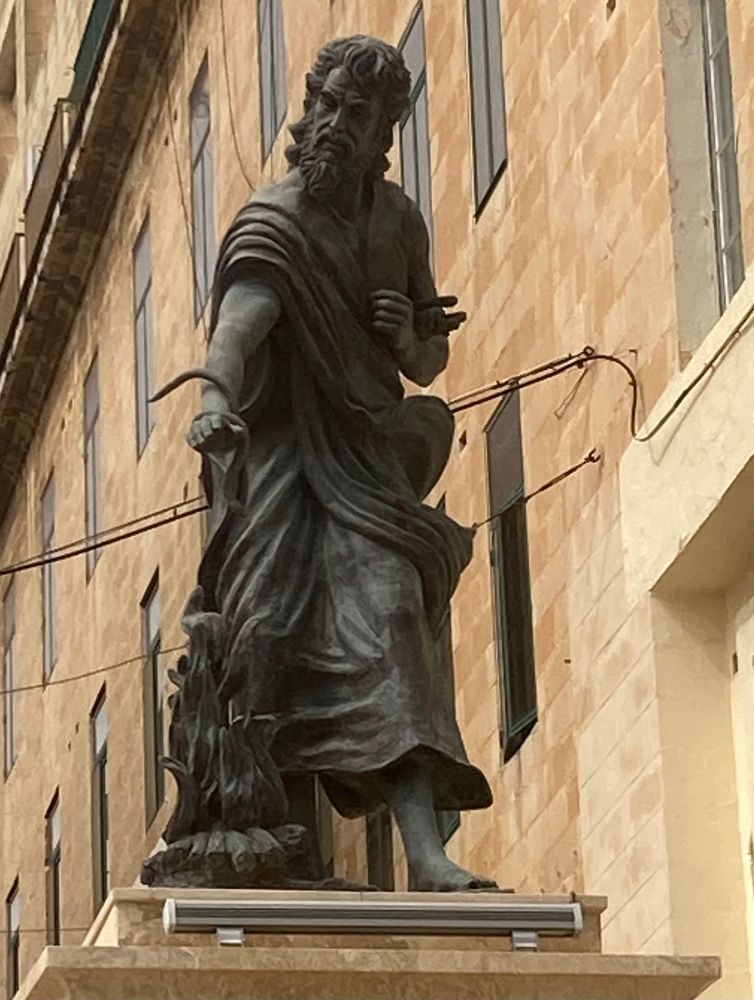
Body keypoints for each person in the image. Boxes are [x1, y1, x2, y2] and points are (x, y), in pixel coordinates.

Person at [188, 35, 494, 891]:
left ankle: (426, 855)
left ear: (382, 131)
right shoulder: (274, 218)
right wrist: (215, 399)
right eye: (324, 105)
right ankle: (277, 849)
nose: (332, 125)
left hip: (364, 463)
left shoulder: (398, 221)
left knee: (395, 613)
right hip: (286, 468)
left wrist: (404, 335)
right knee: (268, 642)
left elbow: (427, 362)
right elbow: (239, 327)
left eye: (354, 115)